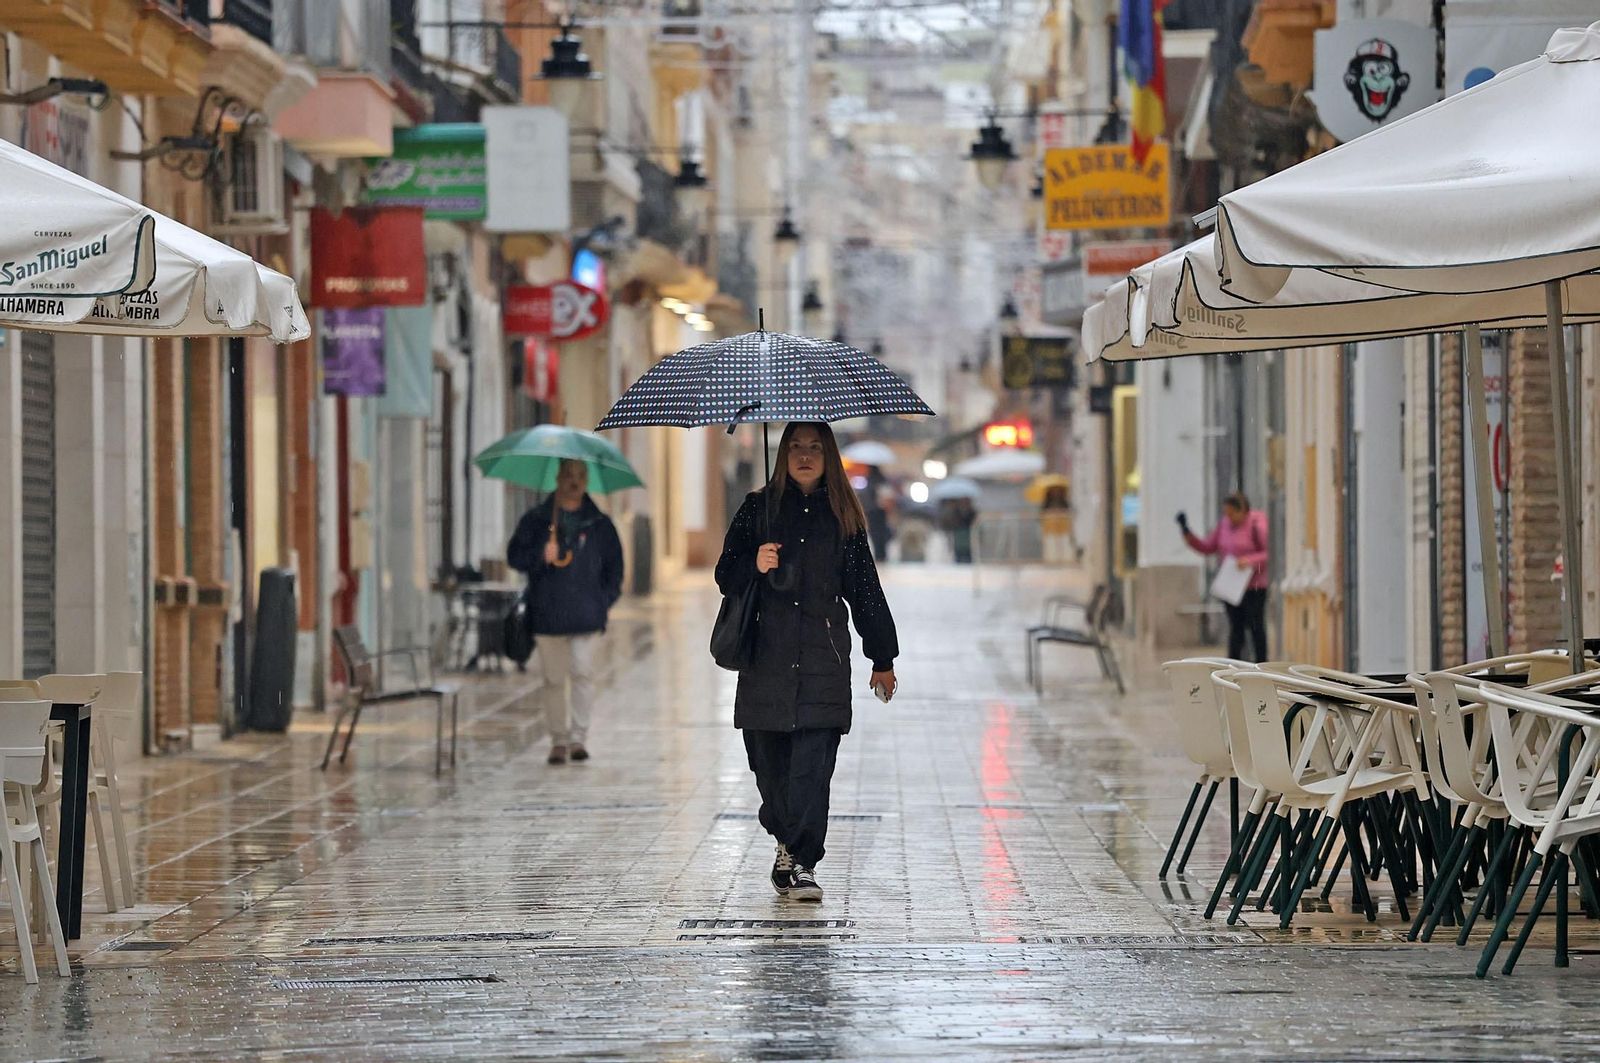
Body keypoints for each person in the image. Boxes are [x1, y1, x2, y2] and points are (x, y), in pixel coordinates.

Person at [715, 422, 900, 902]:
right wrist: (754, 562)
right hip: (765, 660)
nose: (804, 455)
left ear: (828, 455)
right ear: (782, 455)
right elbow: (724, 574)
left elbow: (865, 592)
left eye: (814, 448)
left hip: (823, 660)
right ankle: (785, 840)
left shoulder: (843, 516)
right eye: (795, 447)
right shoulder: (758, 509)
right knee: (770, 773)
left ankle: (801, 861)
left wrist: (882, 656)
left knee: (812, 771)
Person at [508, 458, 624, 765]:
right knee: (554, 679)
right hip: (547, 615)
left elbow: (615, 568)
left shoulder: (599, 524)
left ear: (587, 481)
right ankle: (558, 740)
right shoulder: (536, 519)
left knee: (583, 673)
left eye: (580, 475)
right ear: (558, 478)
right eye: (569, 474)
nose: (574, 481)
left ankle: (578, 738)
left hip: (587, 615)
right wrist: (539, 555)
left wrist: (603, 602)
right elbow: (515, 557)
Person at [1178, 493, 1269, 663]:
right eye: (1226, 514)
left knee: (1256, 629)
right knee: (1236, 629)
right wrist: (1187, 532)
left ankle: (1261, 665)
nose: (1229, 518)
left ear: (1243, 510)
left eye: (1232, 513)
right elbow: (1208, 547)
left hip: (1254, 586)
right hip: (1232, 587)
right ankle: (1233, 665)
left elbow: (1268, 554)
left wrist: (1249, 561)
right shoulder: (1224, 525)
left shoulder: (1257, 523)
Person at [1039, 483, 1078, 565]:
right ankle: (1051, 560)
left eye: (1057, 490)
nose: (1056, 492)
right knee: (1051, 543)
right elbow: (1041, 514)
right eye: (1054, 490)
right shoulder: (1047, 503)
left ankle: (1067, 559)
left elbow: (1070, 511)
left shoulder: (1065, 502)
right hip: (1050, 528)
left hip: (1064, 527)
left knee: (1065, 542)